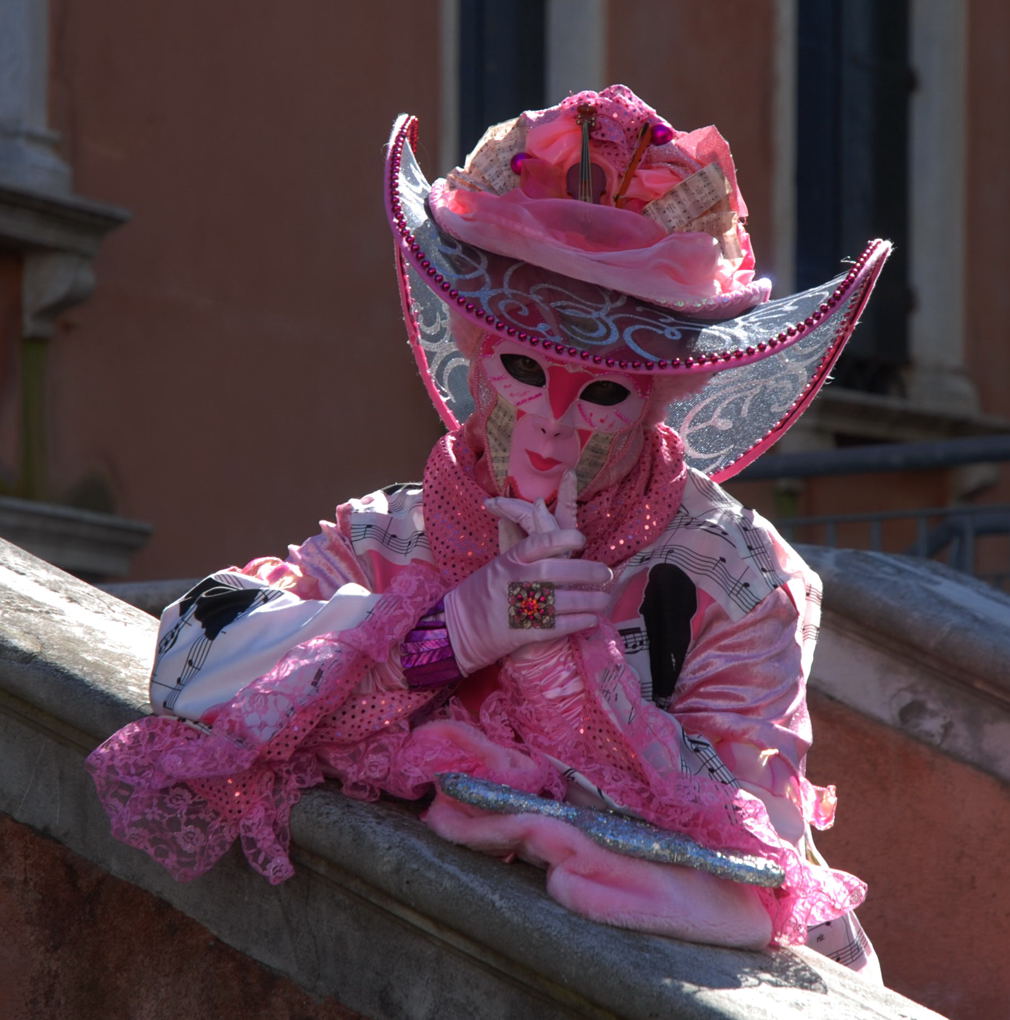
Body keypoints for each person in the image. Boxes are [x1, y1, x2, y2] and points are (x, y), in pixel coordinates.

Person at [87, 86, 889, 973]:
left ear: (663, 396)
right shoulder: (398, 533)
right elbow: (197, 664)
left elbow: (746, 854)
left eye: (604, 389)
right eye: (522, 366)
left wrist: (560, 667)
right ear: (474, 351)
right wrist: (456, 632)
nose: (553, 422)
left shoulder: (731, 577)